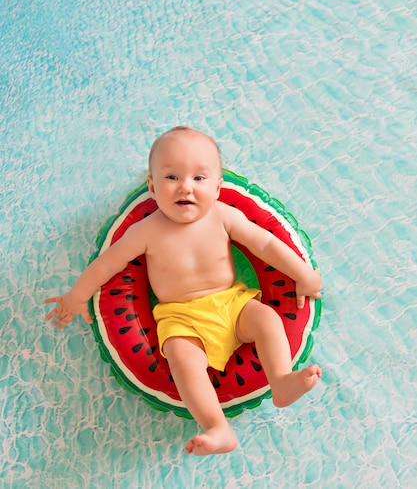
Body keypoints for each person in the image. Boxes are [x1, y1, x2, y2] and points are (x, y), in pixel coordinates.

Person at [45, 126, 323, 456]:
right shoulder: (145, 231)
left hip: (231, 303)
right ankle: (217, 427)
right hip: (181, 318)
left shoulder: (224, 216)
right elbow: (108, 265)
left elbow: (265, 244)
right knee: (181, 359)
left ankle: (280, 381)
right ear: (152, 186)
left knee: (267, 319)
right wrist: (77, 295)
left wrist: (303, 275)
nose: (185, 188)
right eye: (172, 177)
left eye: (199, 179)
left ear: (218, 187)